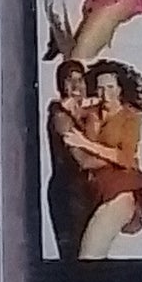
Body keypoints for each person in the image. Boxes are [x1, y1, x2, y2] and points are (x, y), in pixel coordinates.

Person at [65, 61, 142, 258]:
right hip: (94, 190)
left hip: (120, 189)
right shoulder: (93, 113)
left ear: (119, 89)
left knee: (89, 255)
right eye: (101, 89)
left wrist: (85, 144)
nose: (105, 95)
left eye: (110, 88)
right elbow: (72, 113)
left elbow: (126, 158)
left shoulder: (130, 117)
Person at [43, 58, 93, 261]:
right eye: (69, 80)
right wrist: (117, 157)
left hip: (83, 192)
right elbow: (82, 159)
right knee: (76, 257)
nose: (76, 85)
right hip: (68, 193)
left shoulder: (83, 113)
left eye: (80, 80)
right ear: (60, 85)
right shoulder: (60, 115)